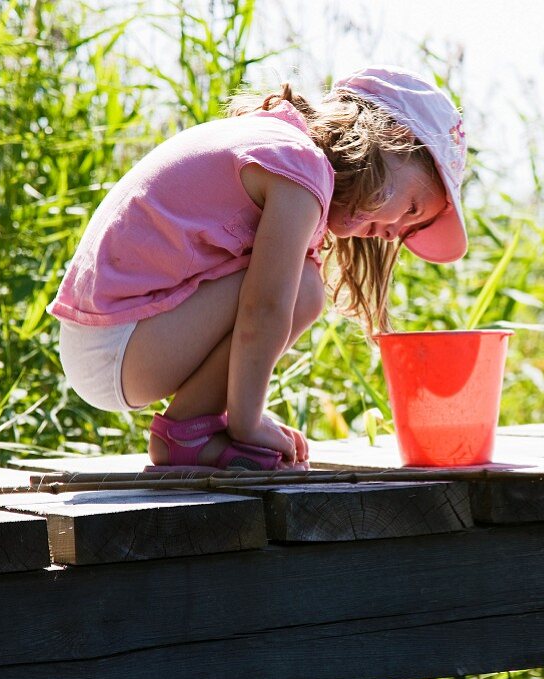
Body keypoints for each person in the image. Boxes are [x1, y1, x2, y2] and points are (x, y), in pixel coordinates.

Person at [47, 66, 468, 470]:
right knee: (303, 289)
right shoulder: (299, 165)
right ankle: (188, 432)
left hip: (110, 343)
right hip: (117, 346)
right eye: (412, 208)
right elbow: (264, 308)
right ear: (389, 137)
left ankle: (192, 428)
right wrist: (250, 423)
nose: (394, 235)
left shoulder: (280, 143)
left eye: (410, 229)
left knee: (300, 281)